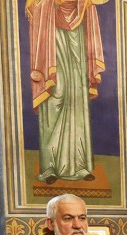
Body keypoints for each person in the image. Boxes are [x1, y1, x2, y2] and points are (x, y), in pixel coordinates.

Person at [26, 0, 109, 184]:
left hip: (77, 39)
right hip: (52, 38)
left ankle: (79, 165)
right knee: (57, 95)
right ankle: (50, 166)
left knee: (76, 99)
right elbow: (34, 6)